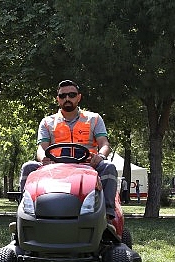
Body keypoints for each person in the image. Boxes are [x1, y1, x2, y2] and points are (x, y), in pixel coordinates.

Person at [19, 80, 118, 221]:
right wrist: (43, 159)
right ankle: (26, 212)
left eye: (71, 95)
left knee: (108, 167)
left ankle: (108, 215)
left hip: (88, 166)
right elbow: (42, 148)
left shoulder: (94, 119)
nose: (67, 98)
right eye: (63, 95)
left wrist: (101, 156)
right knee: (28, 167)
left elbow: (104, 144)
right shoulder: (47, 122)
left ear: (78, 97)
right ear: (58, 99)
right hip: (55, 167)